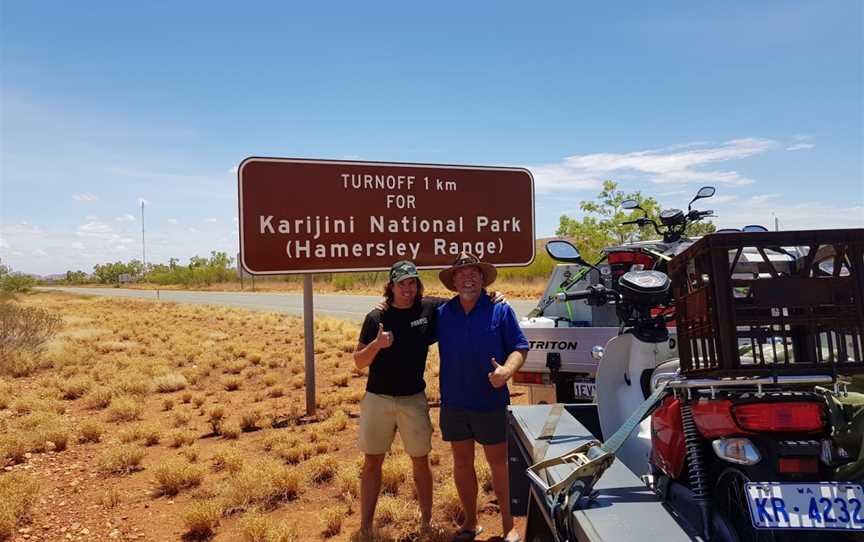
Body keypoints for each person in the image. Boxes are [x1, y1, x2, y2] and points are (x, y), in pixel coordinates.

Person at [436, 252, 528, 542]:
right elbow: (405, 313)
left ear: (482, 278)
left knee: (498, 465)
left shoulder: (500, 310)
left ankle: (508, 525)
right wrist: (383, 305)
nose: (468, 277)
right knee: (462, 464)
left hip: (489, 401)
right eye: (462, 273)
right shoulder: (442, 313)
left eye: (474, 272)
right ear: (453, 280)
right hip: (454, 402)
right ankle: (470, 523)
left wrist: (507, 371)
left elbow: (519, 347)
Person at [353, 260, 437, 536]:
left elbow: (464, 298)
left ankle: (426, 522)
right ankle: (366, 526)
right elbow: (359, 362)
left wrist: (492, 296)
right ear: (391, 286)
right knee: (372, 461)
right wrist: (377, 345)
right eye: (402, 283)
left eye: (412, 282)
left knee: (420, 460)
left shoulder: (428, 309)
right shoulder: (376, 318)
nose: (408, 289)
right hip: (378, 398)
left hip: (413, 398)